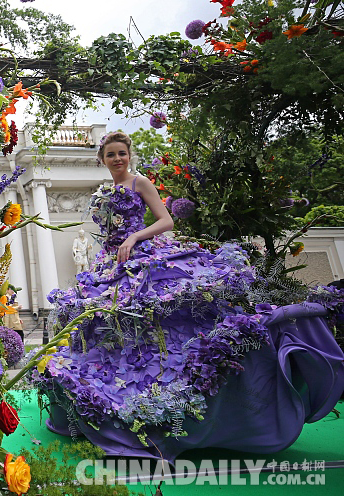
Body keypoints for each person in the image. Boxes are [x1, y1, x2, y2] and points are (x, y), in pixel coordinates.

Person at [36, 131, 344, 462]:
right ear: (102, 159)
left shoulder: (140, 182)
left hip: (143, 256)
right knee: (109, 325)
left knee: (160, 315)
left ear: (129, 155)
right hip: (112, 263)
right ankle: (119, 398)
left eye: (121, 153)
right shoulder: (104, 191)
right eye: (110, 154)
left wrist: (134, 237)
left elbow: (166, 221)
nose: (117, 159)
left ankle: (176, 395)